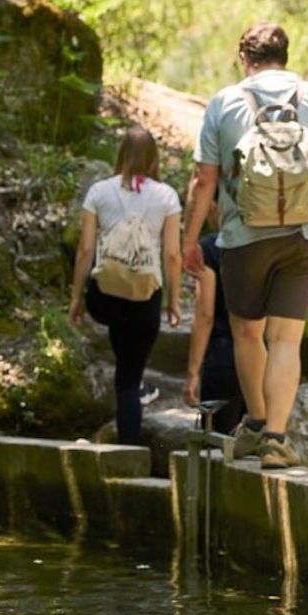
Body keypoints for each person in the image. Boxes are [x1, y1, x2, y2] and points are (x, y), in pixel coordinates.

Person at [183, 23, 308, 470]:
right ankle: (277, 440)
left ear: (244, 58)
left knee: (248, 332)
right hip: (306, 235)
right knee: (286, 339)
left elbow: (203, 178)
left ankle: (257, 423)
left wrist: (188, 241)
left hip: (245, 238)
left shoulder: (225, 102)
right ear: (285, 55)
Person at [70, 126, 182, 445]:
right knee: (129, 380)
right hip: (144, 298)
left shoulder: (98, 191)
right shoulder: (166, 196)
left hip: (104, 297)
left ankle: (130, 396)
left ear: (121, 154)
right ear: (153, 158)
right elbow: (172, 255)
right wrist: (173, 301)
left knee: (124, 359)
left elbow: (85, 250)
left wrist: (76, 297)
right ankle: (130, 446)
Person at [183, 194, 246, 435]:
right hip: (262, 357)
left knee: (216, 440)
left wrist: (192, 372)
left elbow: (205, 314)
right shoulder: (263, 251)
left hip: (223, 356)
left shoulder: (210, 249)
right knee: (251, 447)